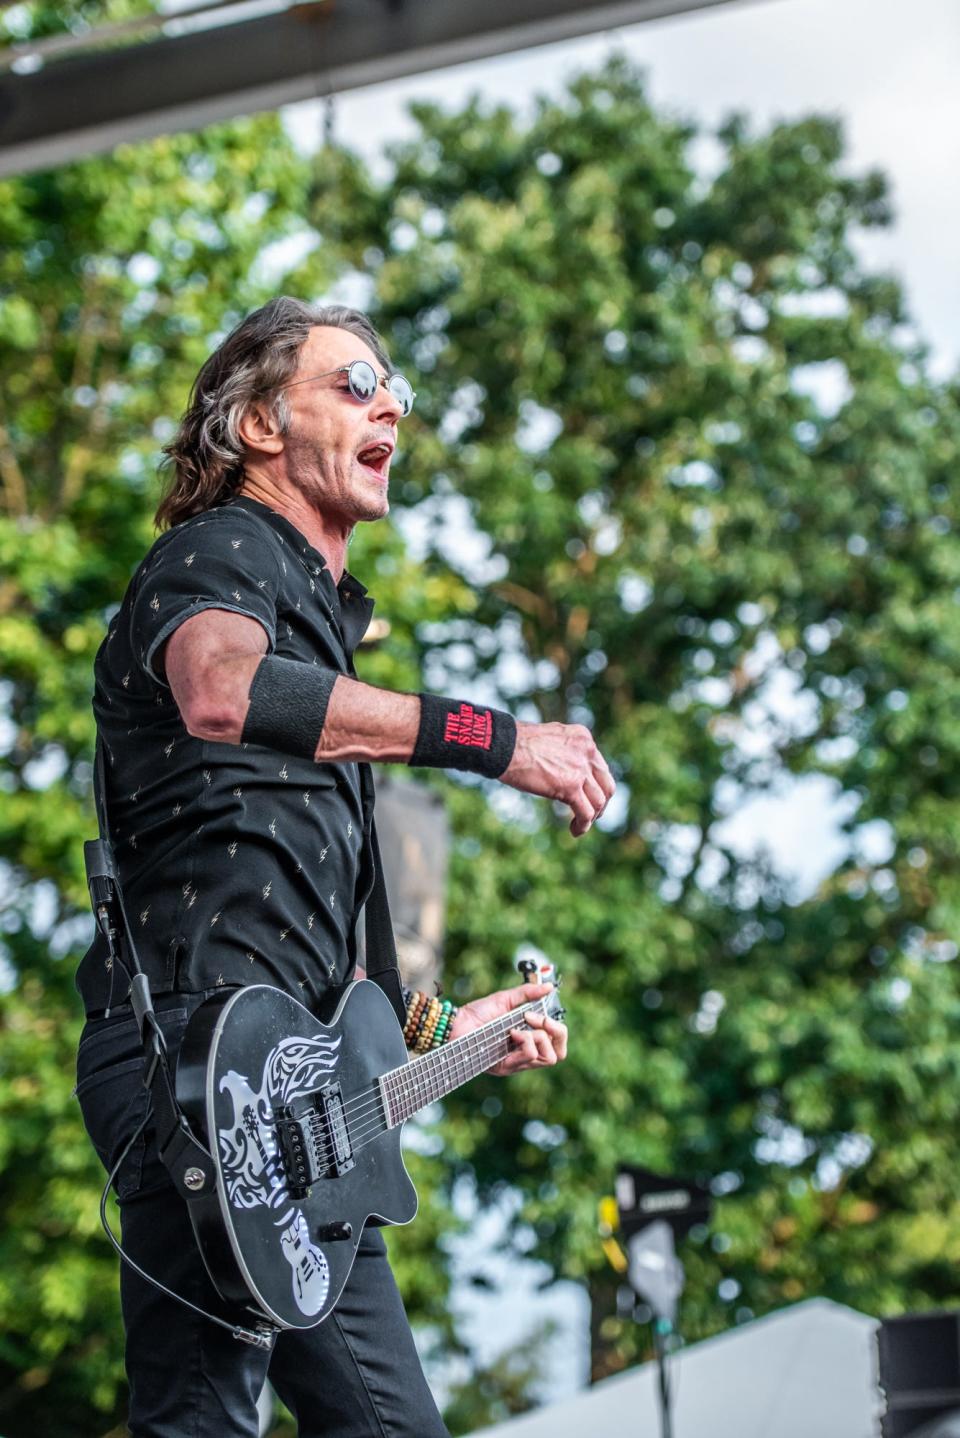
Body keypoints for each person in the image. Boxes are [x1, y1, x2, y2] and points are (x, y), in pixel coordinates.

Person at [75, 296, 615, 1438]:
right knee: (204, 1416)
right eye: (353, 385)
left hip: (302, 1104)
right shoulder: (220, 549)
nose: (390, 410)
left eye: (396, 396)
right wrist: (500, 740)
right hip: (197, 1066)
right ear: (262, 424)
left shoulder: (324, 639)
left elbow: (330, 973)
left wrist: (446, 1034)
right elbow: (223, 691)